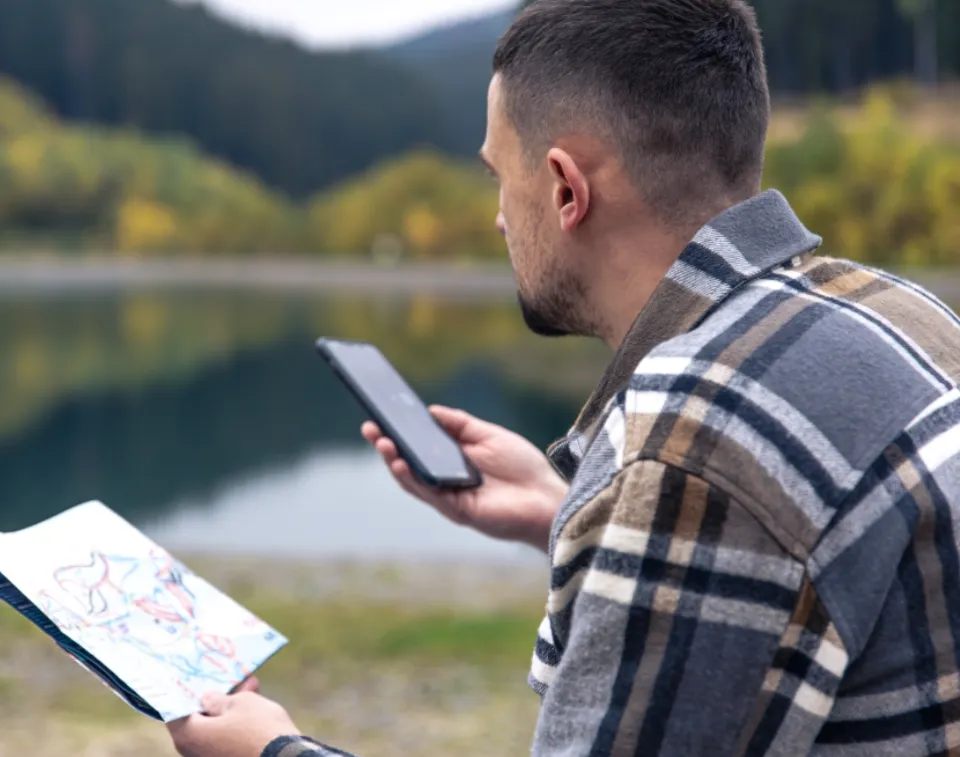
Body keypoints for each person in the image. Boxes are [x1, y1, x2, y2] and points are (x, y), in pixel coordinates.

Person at [167, 1, 960, 755]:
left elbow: (722, 492)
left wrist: (274, 747)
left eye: (497, 177)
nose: (500, 218)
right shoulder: (898, 312)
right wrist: (568, 516)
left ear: (566, 189)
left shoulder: (692, 446)